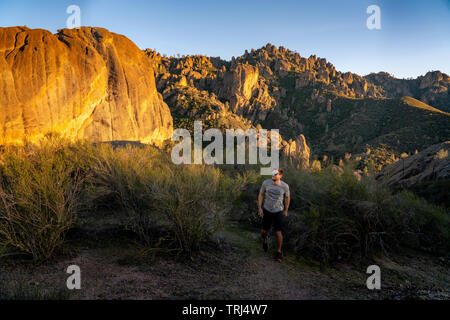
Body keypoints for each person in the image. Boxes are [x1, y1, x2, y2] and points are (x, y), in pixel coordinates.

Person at [258, 168, 290, 262]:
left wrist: (286, 210)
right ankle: (264, 241)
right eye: (272, 174)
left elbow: (287, 198)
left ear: (280, 176)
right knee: (264, 231)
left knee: (278, 232)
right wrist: (260, 208)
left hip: (278, 211)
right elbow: (260, 194)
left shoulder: (285, 186)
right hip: (267, 209)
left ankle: (279, 252)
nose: (273, 175)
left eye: (276, 174)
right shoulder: (266, 183)